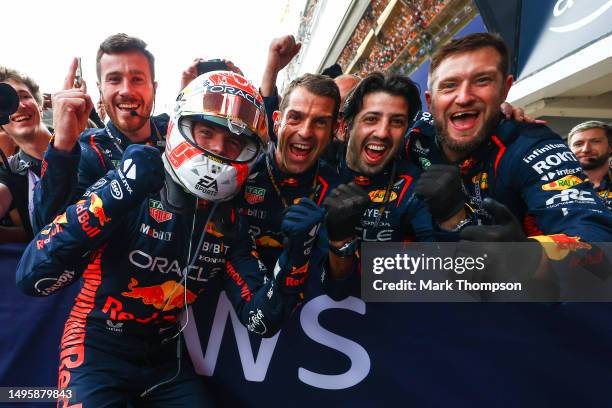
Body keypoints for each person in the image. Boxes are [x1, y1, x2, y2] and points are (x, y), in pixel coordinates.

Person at [17, 71, 323, 407]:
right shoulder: (134, 179)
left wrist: (296, 254)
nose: (219, 150)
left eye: (233, 142)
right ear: (179, 127)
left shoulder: (232, 219)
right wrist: (114, 195)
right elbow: (34, 279)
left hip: (167, 360)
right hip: (95, 347)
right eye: (206, 132)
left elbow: (261, 320)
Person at [405, 32, 611, 245]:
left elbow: (594, 235)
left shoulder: (531, 146)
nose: (464, 97)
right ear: (430, 101)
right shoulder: (414, 136)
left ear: (505, 89)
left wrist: (533, 258)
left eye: (482, 81)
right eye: (449, 85)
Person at [32, 33, 169, 232]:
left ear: (153, 88)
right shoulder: (85, 150)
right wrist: (62, 145)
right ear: (100, 89)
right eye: (114, 79)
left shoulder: (179, 136)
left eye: (137, 79)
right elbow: (45, 232)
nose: (126, 90)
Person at [324, 72, 440, 283]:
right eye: (371, 119)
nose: (383, 132)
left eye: (397, 122)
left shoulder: (414, 186)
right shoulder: (320, 165)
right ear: (347, 124)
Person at [237, 73, 341, 274]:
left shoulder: (337, 191)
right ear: (277, 121)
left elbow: (342, 284)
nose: (305, 132)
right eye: (295, 117)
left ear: (333, 130)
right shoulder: (240, 172)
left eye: (320, 122)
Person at [0, 67, 53, 241]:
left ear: (39, 104)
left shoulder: (85, 142)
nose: (20, 106)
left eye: (24, 96)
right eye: (7, 102)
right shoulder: (10, 171)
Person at [568, 121, 612, 210]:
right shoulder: (551, 185)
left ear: (610, 147)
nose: (585, 149)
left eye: (595, 142)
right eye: (578, 144)